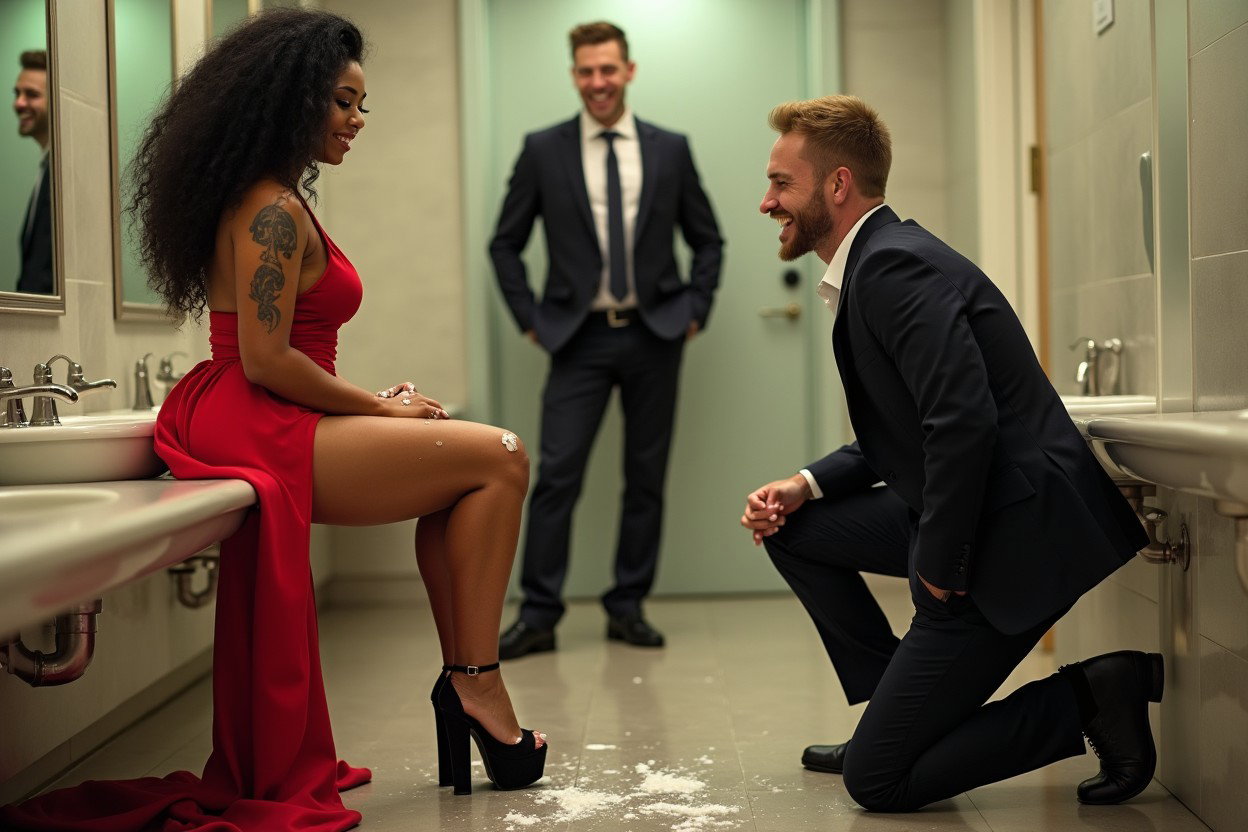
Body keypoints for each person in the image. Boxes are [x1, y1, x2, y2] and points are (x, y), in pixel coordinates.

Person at [1, 10, 543, 830]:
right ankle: (475, 683)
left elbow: (280, 356)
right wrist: (377, 405)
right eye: (341, 102)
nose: (356, 120)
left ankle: (468, 681)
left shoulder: (274, 199)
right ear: (291, 101)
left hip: (262, 404)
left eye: (364, 104)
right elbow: (265, 358)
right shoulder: (271, 211)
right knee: (500, 456)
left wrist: (374, 405)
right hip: (259, 407)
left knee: (470, 476)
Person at [740, 95, 1156, 812]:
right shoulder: (877, 261)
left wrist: (939, 563)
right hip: (976, 508)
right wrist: (807, 484)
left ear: (838, 185)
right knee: (795, 531)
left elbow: (962, 423)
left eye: (781, 183)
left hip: (1015, 532)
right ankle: (898, 715)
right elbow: (908, 429)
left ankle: (1094, 695)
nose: (765, 201)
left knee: (878, 781)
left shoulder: (895, 267)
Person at [490, 21, 723, 658]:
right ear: (575, 76)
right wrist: (530, 318)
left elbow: (708, 238)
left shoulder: (670, 149)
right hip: (578, 339)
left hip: (656, 335)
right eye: (586, 71)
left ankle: (628, 606)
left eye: (608, 70)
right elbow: (504, 243)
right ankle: (538, 615)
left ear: (629, 71)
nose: (598, 82)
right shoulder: (544, 150)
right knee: (558, 475)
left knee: (645, 478)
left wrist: (696, 307)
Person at [13, 49, 53, 295]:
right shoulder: (46, 169)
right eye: (17, 93)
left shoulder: (63, 177)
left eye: (32, 95)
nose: (19, 103)